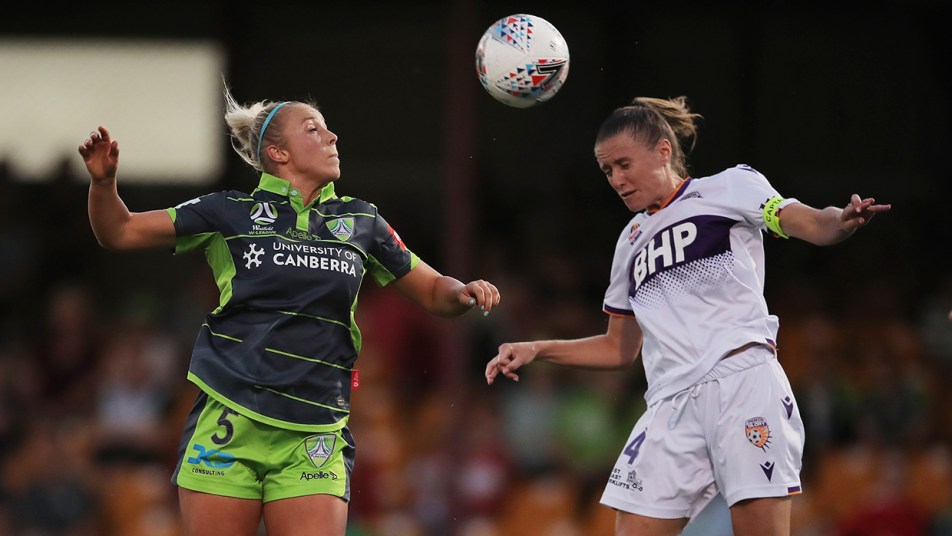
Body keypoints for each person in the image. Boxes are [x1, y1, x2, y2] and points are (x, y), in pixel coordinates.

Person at [78, 84, 501, 536]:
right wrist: (104, 185)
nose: (333, 137)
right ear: (277, 152)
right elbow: (119, 232)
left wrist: (462, 292)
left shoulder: (362, 222)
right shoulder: (227, 212)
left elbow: (434, 288)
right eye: (314, 129)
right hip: (229, 418)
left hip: (315, 428)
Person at [485, 96, 891, 536]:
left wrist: (842, 220)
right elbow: (618, 348)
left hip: (741, 380)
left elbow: (810, 222)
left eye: (624, 164)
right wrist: (537, 348)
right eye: (607, 171)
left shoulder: (731, 187)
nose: (616, 180)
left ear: (663, 150)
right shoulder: (630, 242)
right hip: (669, 404)